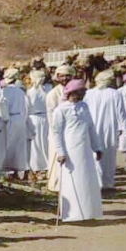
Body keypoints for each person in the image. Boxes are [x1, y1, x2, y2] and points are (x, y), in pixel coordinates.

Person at [52, 80, 103, 222]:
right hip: (70, 151)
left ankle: (88, 213)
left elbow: (91, 128)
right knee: (72, 180)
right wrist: (61, 152)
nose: (84, 94)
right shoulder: (60, 110)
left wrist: (96, 147)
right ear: (72, 93)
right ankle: (73, 215)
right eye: (81, 92)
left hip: (85, 150)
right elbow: (56, 133)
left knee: (87, 180)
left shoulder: (84, 107)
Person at [83, 70, 126, 191]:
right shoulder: (115, 94)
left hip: (92, 127)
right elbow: (122, 114)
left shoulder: (88, 93)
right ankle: (108, 183)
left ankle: (97, 183)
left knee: (95, 154)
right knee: (109, 155)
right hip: (110, 128)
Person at [45, 65, 74, 193]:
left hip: (71, 130)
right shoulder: (53, 93)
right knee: (56, 155)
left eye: (68, 75)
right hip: (57, 130)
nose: (65, 78)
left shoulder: (75, 91)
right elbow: (50, 114)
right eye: (62, 75)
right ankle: (56, 184)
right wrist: (57, 130)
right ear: (57, 77)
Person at [1, 68, 30, 179]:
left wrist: (4, 119)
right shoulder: (21, 91)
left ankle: (9, 171)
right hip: (20, 119)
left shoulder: (5, 91)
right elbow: (26, 107)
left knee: (8, 145)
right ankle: (20, 169)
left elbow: (3, 107)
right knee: (19, 146)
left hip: (10, 119)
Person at [26, 70, 51, 176]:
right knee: (45, 141)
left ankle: (36, 166)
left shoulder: (30, 92)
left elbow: (27, 107)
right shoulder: (49, 89)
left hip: (33, 118)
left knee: (36, 143)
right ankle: (46, 164)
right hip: (46, 117)